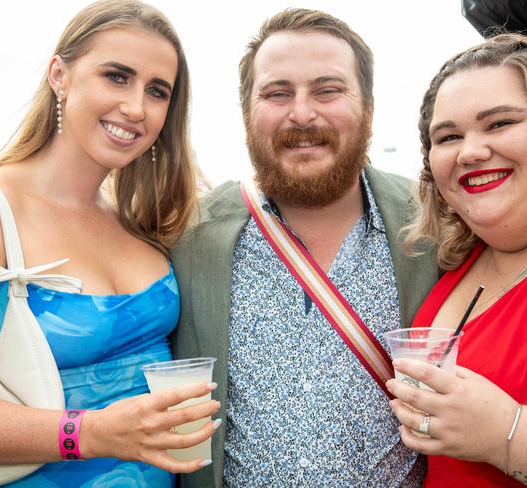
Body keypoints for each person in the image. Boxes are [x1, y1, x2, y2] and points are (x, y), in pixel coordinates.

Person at [0, 1, 221, 486]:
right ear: (59, 74)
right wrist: (90, 433)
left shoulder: (139, 218)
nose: (136, 108)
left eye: (157, 91)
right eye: (117, 77)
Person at [171, 8, 439, 487]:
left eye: (327, 90)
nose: (301, 113)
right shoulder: (188, 238)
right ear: (247, 113)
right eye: (277, 93)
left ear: (369, 110)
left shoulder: (434, 225)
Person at [388, 33, 527, 487]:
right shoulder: (453, 263)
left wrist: (505, 432)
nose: (469, 151)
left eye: (499, 123)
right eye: (448, 136)